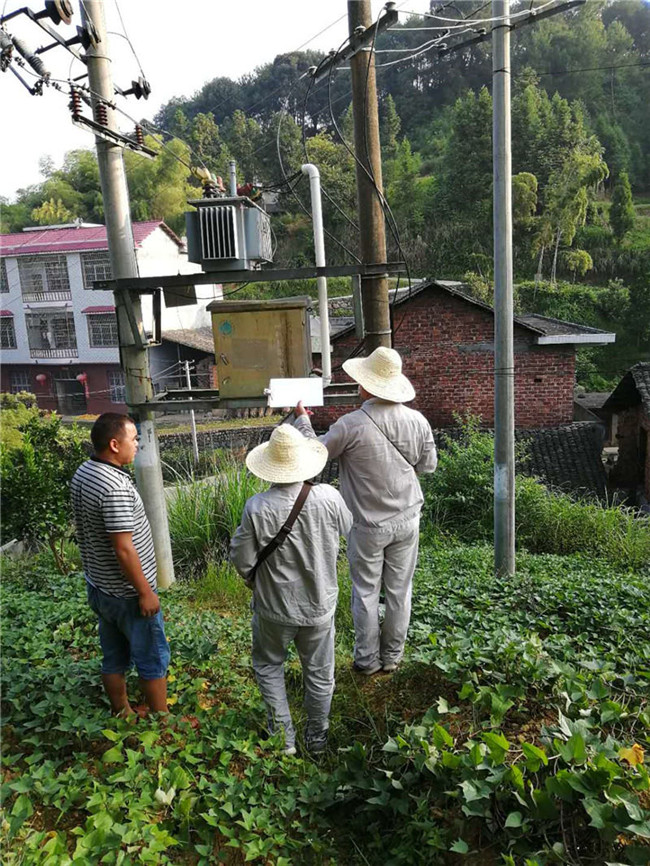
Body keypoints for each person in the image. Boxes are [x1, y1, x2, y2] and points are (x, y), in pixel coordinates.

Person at [294, 346, 437, 676]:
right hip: (408, 519)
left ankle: (367, 661)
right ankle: (392, 658)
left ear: (367, 385)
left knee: (366, 592)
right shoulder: (418, 421)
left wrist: (303, 420)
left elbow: (313, 456)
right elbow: (428, 465)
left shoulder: (351, 425)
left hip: (367, 526)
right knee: (400, 592)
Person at [230, 424, 352, 755]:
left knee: (269, 665)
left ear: (270, 464)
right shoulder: (329, 497)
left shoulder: (257, 507)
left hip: (274, 607)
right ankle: (317, 740)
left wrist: (253, 580)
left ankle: (283, 742)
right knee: (320, 673)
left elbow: (241, 558)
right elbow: (347, 528)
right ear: (304, 463)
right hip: (319, 606)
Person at [70, 413, 170, 716]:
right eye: (133, 439)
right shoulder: (114, 487)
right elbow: (123, 548)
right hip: (127, 594)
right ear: (114, 444)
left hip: (100, 587)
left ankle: (122, 712)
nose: (137, 445)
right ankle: (162, 722)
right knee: (152, 656)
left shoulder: (84, 472)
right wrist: (145, 593)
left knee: (113, 655)